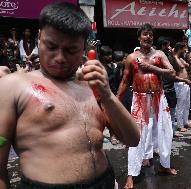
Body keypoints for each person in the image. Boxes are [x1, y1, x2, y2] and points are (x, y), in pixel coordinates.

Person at [0, 3, 140, 189]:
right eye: (51, 46)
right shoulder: (12, 87)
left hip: (105, 180)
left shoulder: (93, 86)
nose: (59, 57)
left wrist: (107, 95)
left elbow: (132, 139)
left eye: (70, 50)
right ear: (39, 37)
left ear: (83, 48)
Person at [117, 24, 177, 189]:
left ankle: (164, 165)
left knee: (166, 131)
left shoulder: (159, 54)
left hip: (159, 98)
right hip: (139, 99)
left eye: (150, 35)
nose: (148, 37)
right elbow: (124, 81)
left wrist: (151, 67)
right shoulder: (131, 58)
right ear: (139, 37)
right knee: (137, 136)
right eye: (145, 34)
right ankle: (131, 174)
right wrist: (115, 101)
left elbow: (172, 72)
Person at [173, 42, 191, 133]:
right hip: (180, 83)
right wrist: (174, 55)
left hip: (186, 84)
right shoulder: (175, 58)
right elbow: (180, 66)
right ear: (180, 49)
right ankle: (180, 125)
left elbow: (188, 65)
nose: (185, 50)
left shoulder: (181, 58)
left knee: (187, 104)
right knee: (180, 105)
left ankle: (185, 122)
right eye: (184, 48)